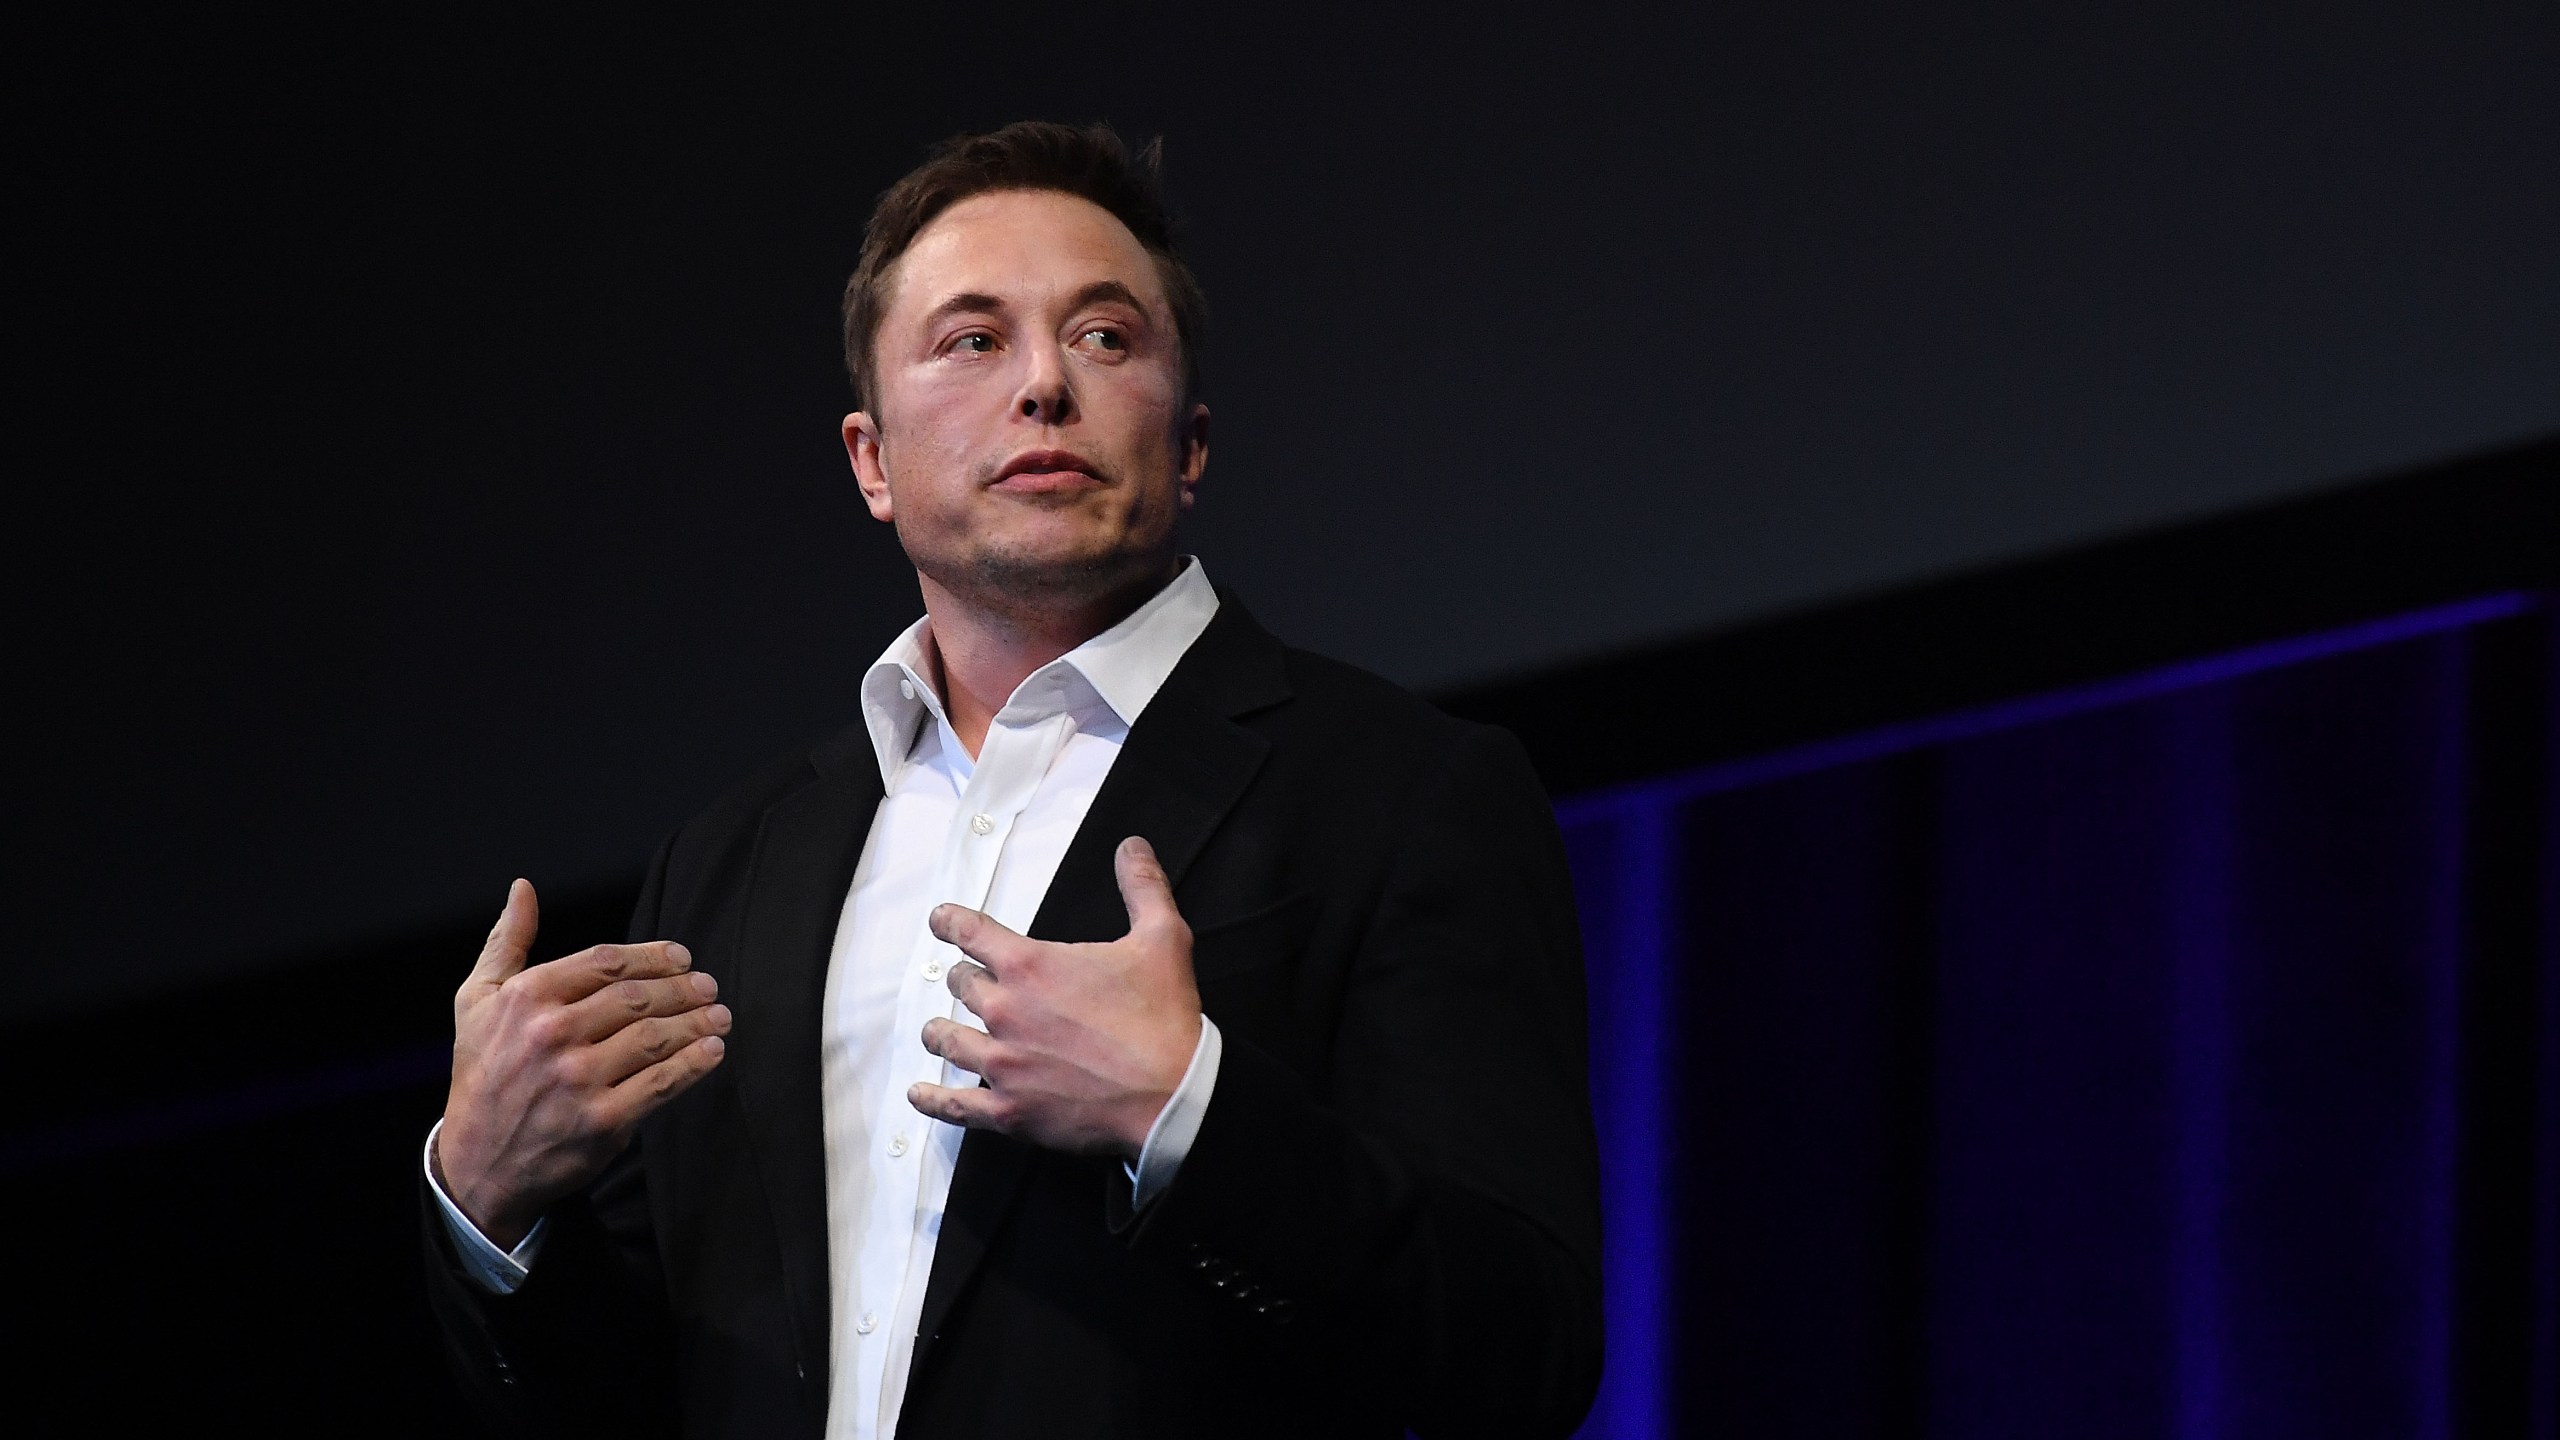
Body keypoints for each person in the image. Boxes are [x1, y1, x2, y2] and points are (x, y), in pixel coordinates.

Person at [421, 120, 1602, 1440]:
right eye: (975, 339)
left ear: (1193, 440)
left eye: (1105, 336)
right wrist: (491, 1197)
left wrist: (1190, 1114)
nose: (1044, 383)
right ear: (871, 461)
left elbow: (1525, 1349)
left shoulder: (1403, 793)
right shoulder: (733, 861)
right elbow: (645, 1390)